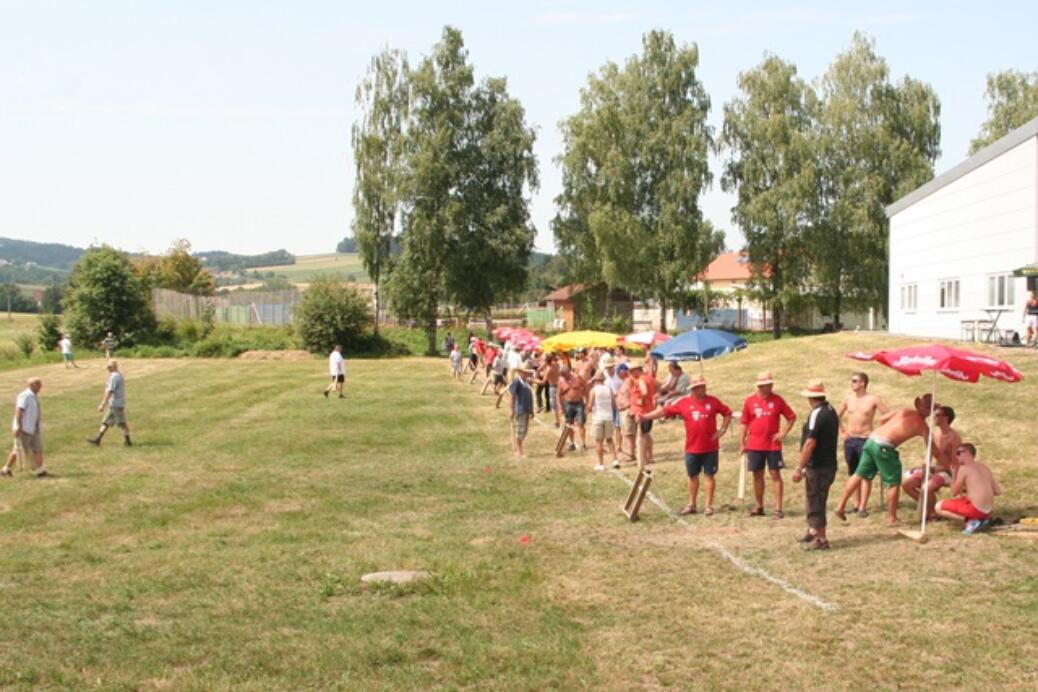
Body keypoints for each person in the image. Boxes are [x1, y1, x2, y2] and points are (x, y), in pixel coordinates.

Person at [833, 393, 935, 526]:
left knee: (858, 474)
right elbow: (931, 447)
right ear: (930, 411)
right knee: (893, 482)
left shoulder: (905, 411)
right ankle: (891, 519)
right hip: (884, 446)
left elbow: (882, 420)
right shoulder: (922, 426)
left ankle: (840, 506)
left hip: (871, 440)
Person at [640, 375, 731, 516]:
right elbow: (664, 411)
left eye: (704, 386)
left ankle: (708, 506)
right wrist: (646, 416)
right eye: (700, 387)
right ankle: (691, 504)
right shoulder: (684, 403)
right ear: (693, 389)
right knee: (692, 476)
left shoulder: (713, 401)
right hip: (692, 448)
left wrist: (722, 430)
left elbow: (727, 412)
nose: (703, 389)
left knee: (709, 476)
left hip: (710, 447)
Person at [740, 371, 797, 519]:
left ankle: (778, 508)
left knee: (775, 474)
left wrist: (783, 433)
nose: (770, 387)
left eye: (771, 384)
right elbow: (744, 422)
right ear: (760, 386)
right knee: (757, 475)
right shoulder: (749, 401)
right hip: (755, 445)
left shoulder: (778, 400)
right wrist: (742, 442)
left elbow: (791, 417)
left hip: (772, 445)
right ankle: (759, 506)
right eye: (767, 385)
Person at [791, 380, 840, 550]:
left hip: (818, 466)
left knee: (815, 502)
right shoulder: (831, 410)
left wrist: (800, 467)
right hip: (828, 464)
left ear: (811, 398)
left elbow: (810, 442)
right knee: (818, 498)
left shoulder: (817, 414)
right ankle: (813, 531)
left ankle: (821, 539)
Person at [836, 372, 889, 516]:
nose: (852, 383)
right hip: (850, 440)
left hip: (866, 440)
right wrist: (842, 431)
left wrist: (877, 432)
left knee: (865, 473)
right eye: (851, 380)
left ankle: (863, 507)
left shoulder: (873, 399)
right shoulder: (848, 399)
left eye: (855, 381)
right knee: (853, 473)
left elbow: (888, 415)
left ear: (863, 383)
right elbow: (837, 416)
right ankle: (855, 503)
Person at [901, 405, 960, 519]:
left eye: (937, 415)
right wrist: (926, 466)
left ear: (946, 418)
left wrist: (941, 469)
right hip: (934, 469)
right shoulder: (935, 434)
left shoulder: (954, 437)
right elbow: (929, 454)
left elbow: (955, 463)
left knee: (927, 487)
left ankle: (931, 511)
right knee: (907, 485)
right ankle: (930, 507)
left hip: (948, 472)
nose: (934, 418)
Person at [935, 443, 1002, 534]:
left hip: (975, 510)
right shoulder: (984, 467)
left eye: (958, 453)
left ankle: (970, 521)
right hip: (988, 511)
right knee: (964, 499)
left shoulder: (964, 469)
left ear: (968, 453)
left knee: (938, 506)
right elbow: (997, 491)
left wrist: (954, 473)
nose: (956, 456)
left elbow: (954, 492)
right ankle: (980, 520)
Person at [1, 378, 49, 478]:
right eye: (38, 385)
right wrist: (19, 426)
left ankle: (40, 470)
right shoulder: (25, 396)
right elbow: (19, 411)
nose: (40, 387)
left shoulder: (34, 396)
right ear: (31, 385)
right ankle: (6, 469)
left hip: (34, 428)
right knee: (18, 450)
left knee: (38, 449)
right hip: (24, 429)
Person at [87, 360, 132, 447]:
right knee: (106, 422)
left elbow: (110, 391)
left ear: (113, 367)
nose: (107, 369)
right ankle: (98, 439)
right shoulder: (116, 375)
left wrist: (103, 404)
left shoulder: (115, 377)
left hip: (116, 404)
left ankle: (128, 441)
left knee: (122, 423)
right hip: (114, 404)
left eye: (109, 367)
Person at [587, 371, 618, 472]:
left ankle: (601, 464)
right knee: (610, 440)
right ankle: (615, 460)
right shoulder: (609, 389)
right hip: (608, 417)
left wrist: (587, 411)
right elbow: (614, 404)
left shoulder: (594, 390)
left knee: (598, 441)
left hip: (598, 417)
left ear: (595, 380)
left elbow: (590, 405)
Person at [628, 360, 658, 466]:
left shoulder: (641, 379)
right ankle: (651, 456)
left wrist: (642, 399)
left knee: (641, 435)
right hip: (649, 409)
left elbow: (644, 391)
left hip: (641, 411)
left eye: (632, 371)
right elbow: (658, 387)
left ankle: (643, 458)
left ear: (637, 370)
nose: (630, 373)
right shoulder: (649, 377)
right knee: (647, 433)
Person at [557, 365, 588, 452]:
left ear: (569, 372)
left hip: (579, 403)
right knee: (569, 424)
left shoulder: (577, 377)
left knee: (580, 423)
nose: (564, 376)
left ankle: (583, 443)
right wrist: (560, 407)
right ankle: (572, 443)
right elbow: (558, 395)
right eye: (562, 375)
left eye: (565, 374)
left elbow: (585, 386)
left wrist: (585, 398)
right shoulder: (561, 381)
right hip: (568, 404)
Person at [507, 367, 535, 459]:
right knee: (520, 430)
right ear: (520, 372)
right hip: (520, 409)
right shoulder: (517, 382)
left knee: (525, 431)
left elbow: (529, 396)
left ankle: (519, 448)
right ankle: (520, 451)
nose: (527, 374)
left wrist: (532, 410)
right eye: (525, 372)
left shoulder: (526, 382)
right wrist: (512, 409)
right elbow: (512, 395)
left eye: (528, 372)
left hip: (527, 409)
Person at [614, 363, 636, 462]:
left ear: (623, 371)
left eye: (618, 371)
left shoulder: (630, 381)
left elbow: (633, 394)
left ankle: (631, 454)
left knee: (629, 433)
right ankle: (629, 452)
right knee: (625, 433)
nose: (617, 373)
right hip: (622, 411)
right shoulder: (624, 381)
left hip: (627, 410)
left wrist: (629, 406)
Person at [543, 353, 561, 428]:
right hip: (559, 385)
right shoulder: (557, 364)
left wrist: (533, 380)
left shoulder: (548, 369)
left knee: (554, 406)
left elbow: (543, 382)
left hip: (553, 387)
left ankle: (557, 422)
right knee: (561, 404)